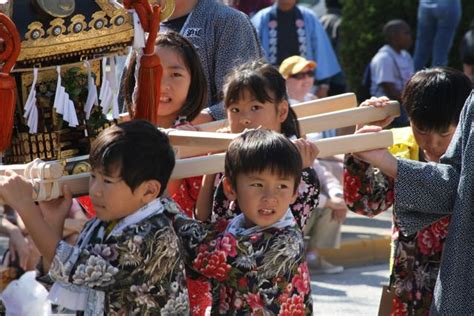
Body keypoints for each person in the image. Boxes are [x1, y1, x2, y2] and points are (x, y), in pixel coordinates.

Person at [0, 120, 189, 314]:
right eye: (92, 176)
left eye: (107, 181)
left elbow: (70, 265)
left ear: (149, 190)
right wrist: (54, 220)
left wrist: (25, 206)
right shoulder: (104, 222)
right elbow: (61, 276)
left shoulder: (152, 236)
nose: (95, 191)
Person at [344, 67, 472, 314]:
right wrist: (361, 143)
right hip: (408, 288)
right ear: (409, 119)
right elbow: (364, 204)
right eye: (421, 130)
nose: (432, 142)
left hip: (460, 288)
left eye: (445, 133)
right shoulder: (399, 148)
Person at [175, 129, 314, 314]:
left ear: (294, 193)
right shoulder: (240, 223)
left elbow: (201, 253)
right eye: (258, 184)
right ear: (230, 188)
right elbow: (204, 229)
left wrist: (164, 205)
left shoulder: (282, 243)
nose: (270, 197)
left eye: (282, 186)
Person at [195, 60, 320, 232]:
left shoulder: (296, 159)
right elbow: (202, 216)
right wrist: (212, 157)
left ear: (282, 111)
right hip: (223, 253)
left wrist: (303, 170)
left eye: (255, 107)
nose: (244, 118)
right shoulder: (230, 153)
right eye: (235, 110)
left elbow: (291, 229)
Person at [122, 0, 263, 122]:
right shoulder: (140, 21)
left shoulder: (229, 21)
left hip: (205, 147)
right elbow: (127, 98)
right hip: (144, 142)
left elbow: (245, 100)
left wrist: (181, 124)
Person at [122, 31, 207, 218]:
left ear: (192, 82)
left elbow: (195, 211)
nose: (162, 84)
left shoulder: (199, 140)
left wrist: (181, 149)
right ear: (134, 79)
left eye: (175, 74)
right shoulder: (117, 134)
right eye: (152, 72)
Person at [251, 0, 341, 98]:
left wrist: (324, 86)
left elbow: (322, 52)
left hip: (306, 87)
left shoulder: (309, 16)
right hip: (270, 87)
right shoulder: (261, 18)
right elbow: (253, 55)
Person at [369, 19, 414, 127]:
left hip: (404, 102)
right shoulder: (384, 58)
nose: (410, 37)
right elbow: (390, 91)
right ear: (394, 36)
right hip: (386, 106)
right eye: (406, 33)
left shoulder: (405, 55)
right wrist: (413, 102)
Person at [413, 0, 461, 71]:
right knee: (440, 54)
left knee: (421, 52)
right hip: (448, 4)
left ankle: (411, 80)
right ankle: (437, 81)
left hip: (426, 4)